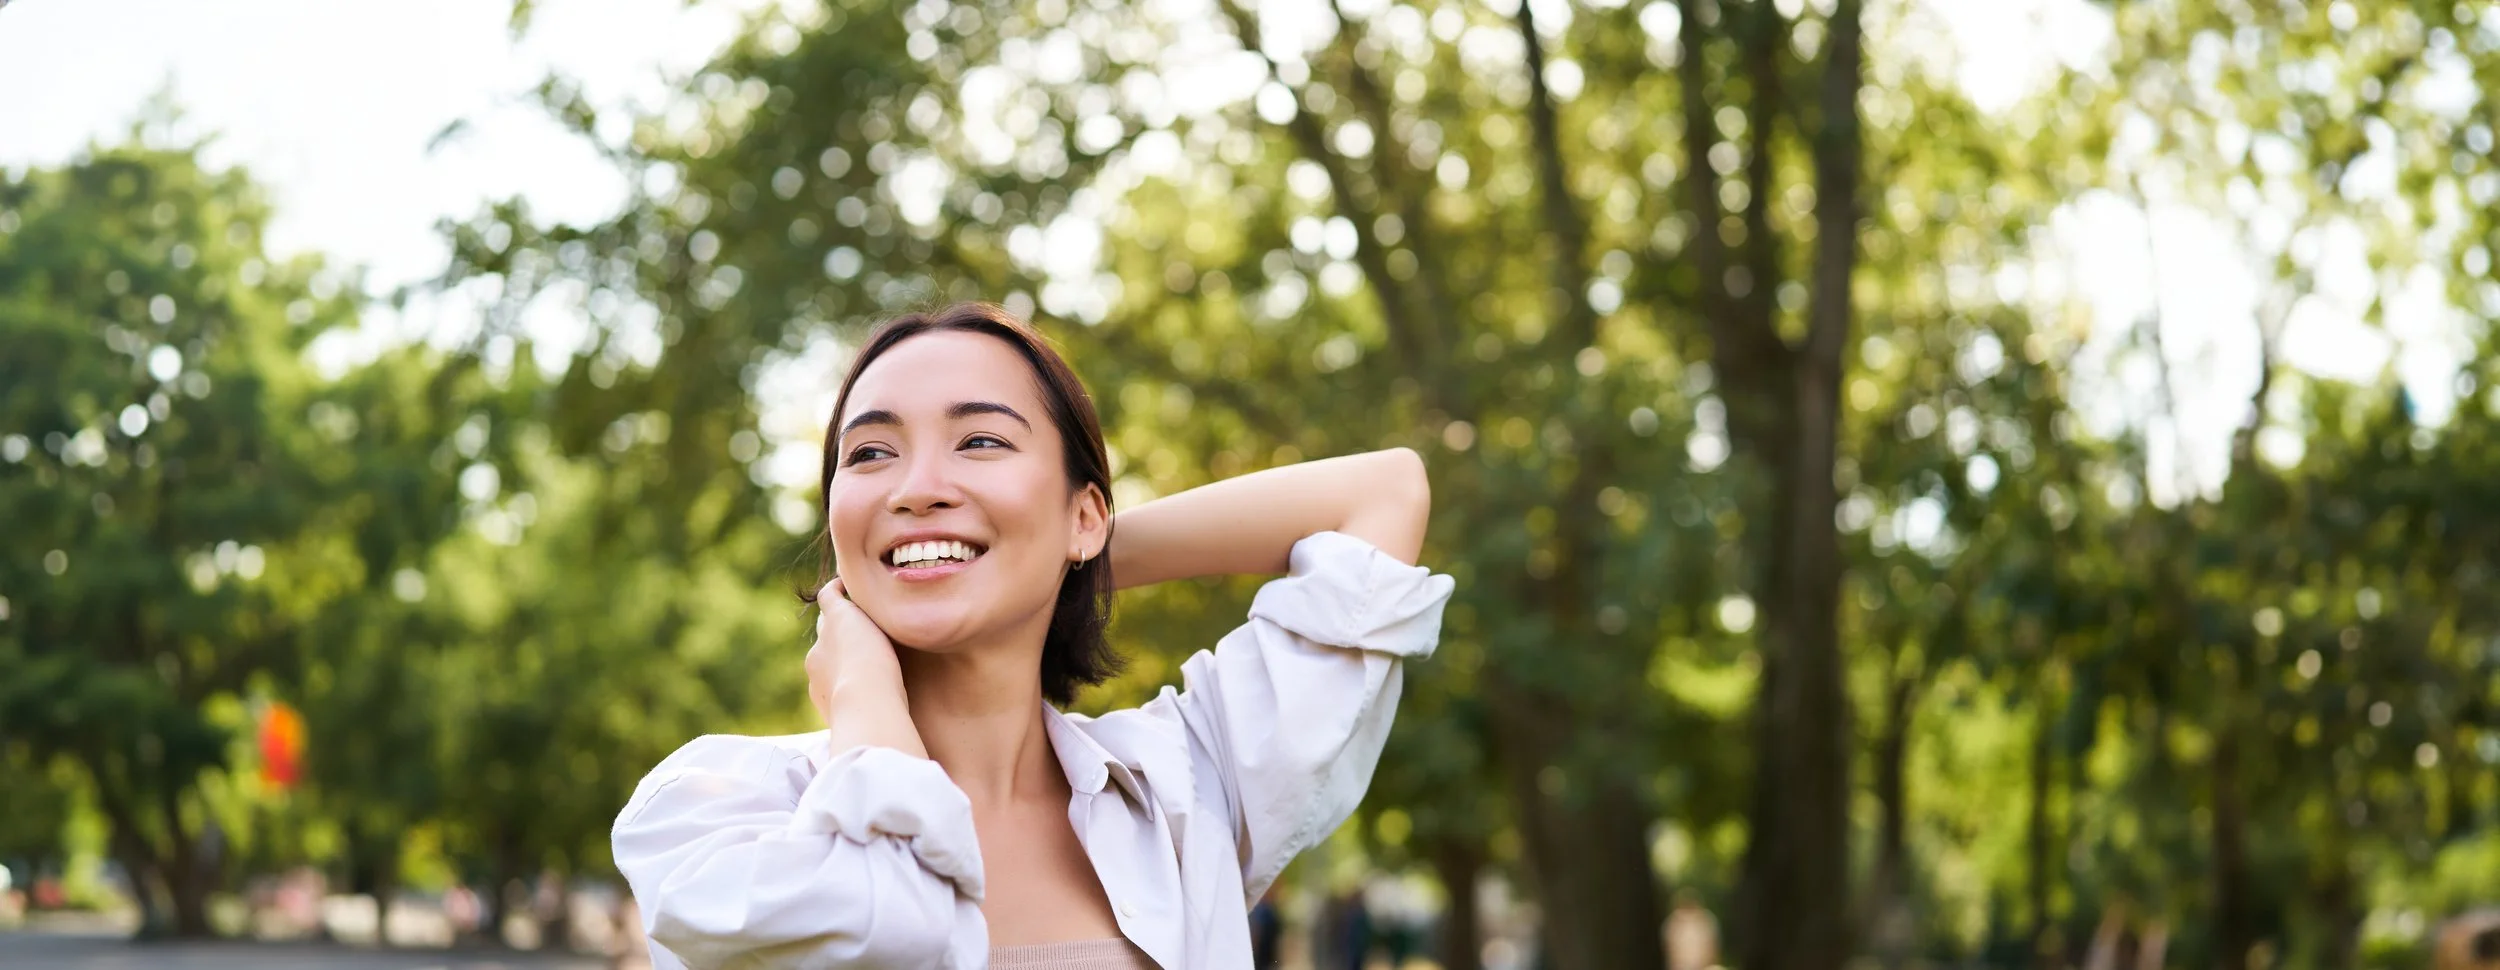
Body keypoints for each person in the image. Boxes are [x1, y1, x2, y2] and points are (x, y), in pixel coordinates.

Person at [611, 303, 1452, 970]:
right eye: (870, 454)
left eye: (979, 440)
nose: (917, 487)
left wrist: (1051, 557)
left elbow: (1380, 494)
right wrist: (868, 696)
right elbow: (885, 921)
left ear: (1087, 513)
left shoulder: (1184, 788)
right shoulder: (717, 806)